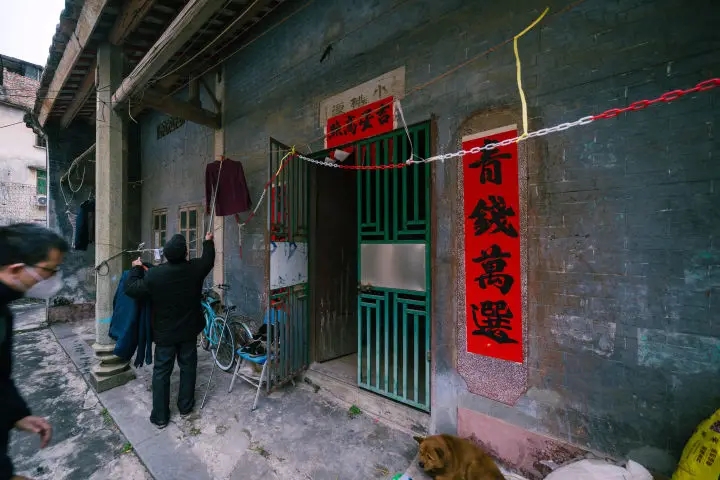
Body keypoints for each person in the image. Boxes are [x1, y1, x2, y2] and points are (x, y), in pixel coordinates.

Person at [124, 231, 215, 428]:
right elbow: (208, 260)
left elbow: (131, 288)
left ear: (165, 254)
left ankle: (160, 416)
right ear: (185, 253)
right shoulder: (194, 269)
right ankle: (185, 407)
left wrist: (136, 269)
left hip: (165, 334)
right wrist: (208, 241)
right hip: (188, 331)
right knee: (188, 368)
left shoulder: (155, 275)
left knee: (161, 372)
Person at [1, 223, 68, 480]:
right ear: (17, 269)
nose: (54, 279)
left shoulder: (4, 309)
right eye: (49, 270)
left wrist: (16, 414)